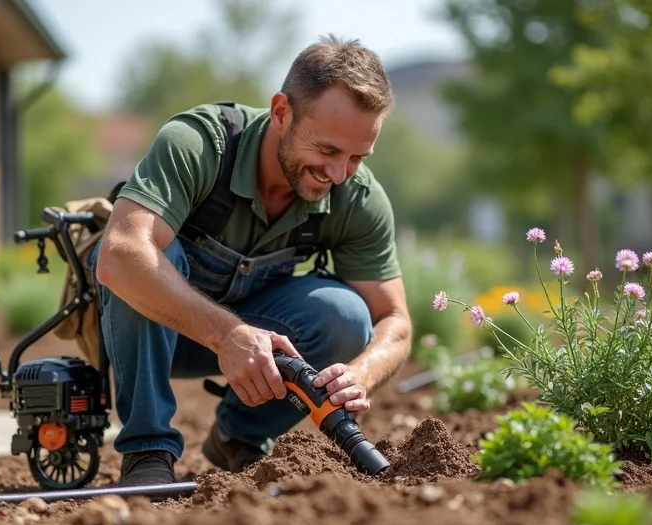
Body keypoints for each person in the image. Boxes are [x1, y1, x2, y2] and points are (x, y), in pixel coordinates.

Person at [87, 34, 412, 487]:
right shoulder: (198, 144)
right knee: (150, 251)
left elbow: (394, 320)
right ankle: (147, 451)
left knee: (345, 316)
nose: (339, 174)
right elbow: (119, 256)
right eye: (328, 151)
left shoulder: (357, 198)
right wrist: (226, 335)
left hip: (249, 347)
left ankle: (238, 436)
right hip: (142, 333)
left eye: (357, 157)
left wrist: (362, 374)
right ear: (282, 113)